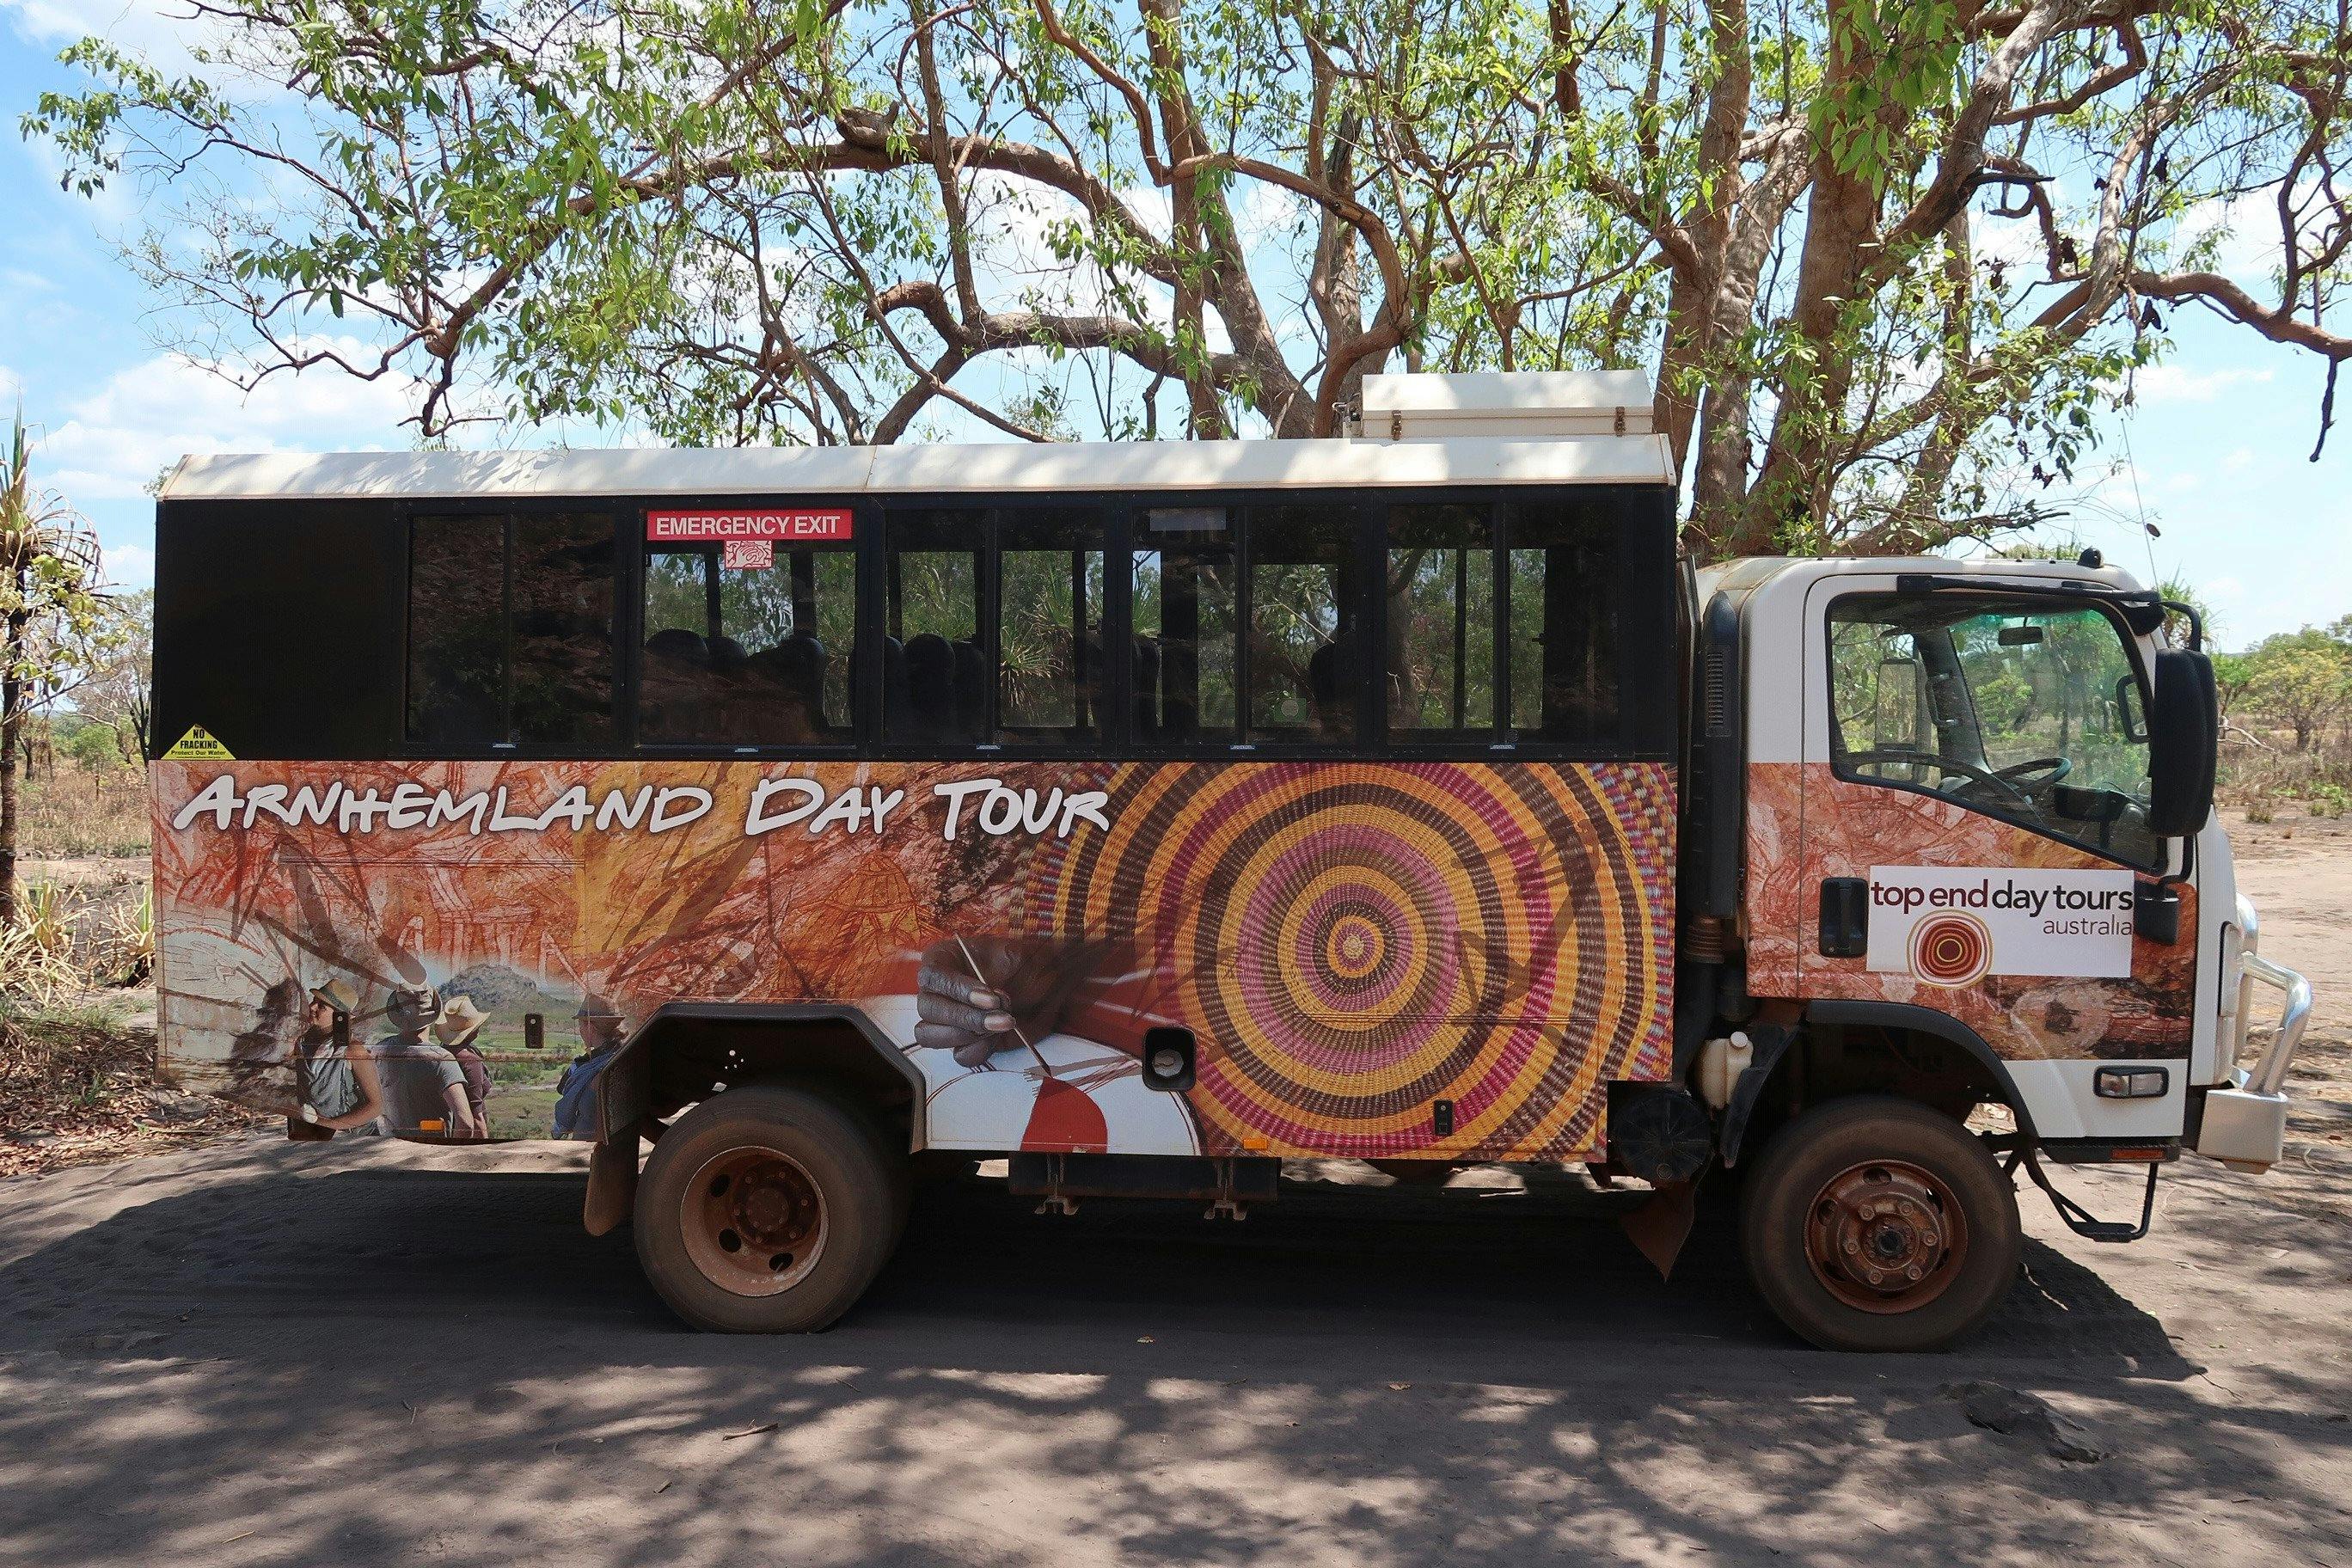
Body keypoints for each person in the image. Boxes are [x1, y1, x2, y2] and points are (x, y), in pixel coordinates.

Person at [371, 987, 481, 1139]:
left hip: (388, 1147)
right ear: (434, 1013)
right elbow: (465, 1123)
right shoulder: (441, 1059)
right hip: (430, 1148)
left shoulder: (378, 1050)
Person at [292, 978, 387, 1136]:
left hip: (355, 1137)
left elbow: (376, 1106)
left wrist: (327, 1125)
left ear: (339, 1016)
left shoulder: (352, 1050)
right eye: (314, 1000)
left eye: (322, 1006)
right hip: (318, 1134)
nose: (312, 1006)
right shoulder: (303, 1044)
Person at [553, 994, 628, 1140]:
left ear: (590, 1027)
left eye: (581, 1025)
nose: (580, 1030)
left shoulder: (594, 1068)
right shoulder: (618, 1055)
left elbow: (563, 1093)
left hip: (589, 1143)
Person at [432, 995, 494, 1141]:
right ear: (472, 1032)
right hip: (465, 1137)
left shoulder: (441, 1053)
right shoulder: (470, 1061)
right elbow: (476, 1116)